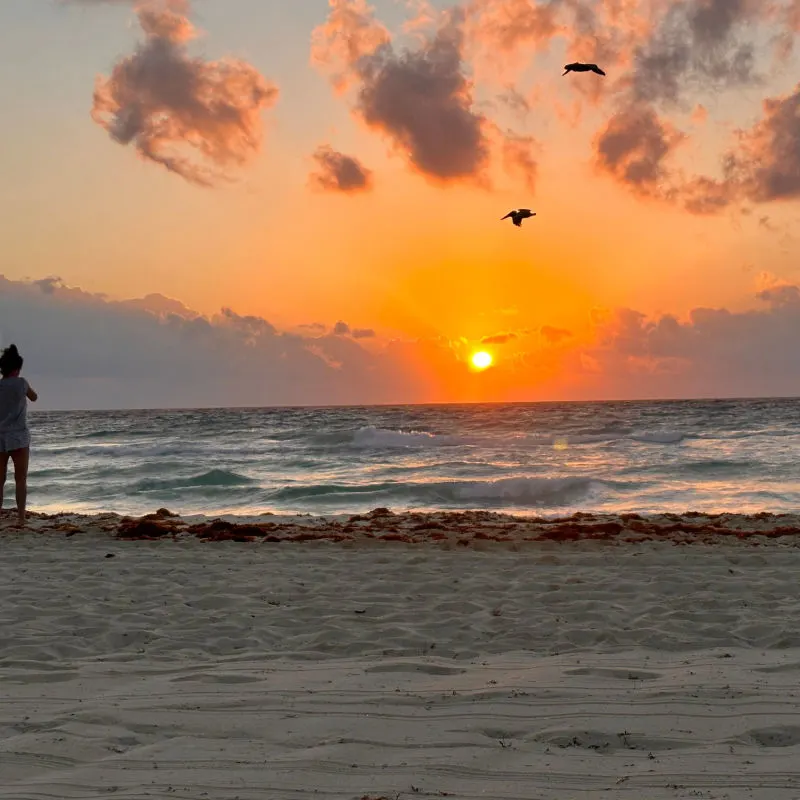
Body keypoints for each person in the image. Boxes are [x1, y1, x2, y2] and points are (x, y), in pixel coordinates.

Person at [0, 344, 38, 526]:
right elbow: (34, 397)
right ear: (17, 368)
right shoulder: (22, 383)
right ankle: (21, 518)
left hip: (0, 437)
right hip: (19, 437)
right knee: (20, 480)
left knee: (0, 481)